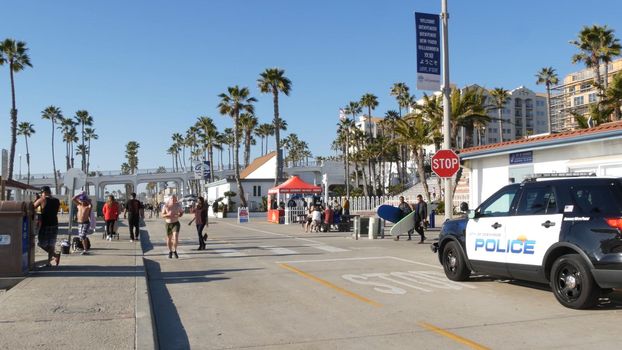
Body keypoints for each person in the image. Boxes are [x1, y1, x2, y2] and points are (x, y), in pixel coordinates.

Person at [33, 186, 61, 266]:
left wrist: (37, 199)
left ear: (43, 193)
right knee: (51, 244)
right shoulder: (56, 200)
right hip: (54, 224)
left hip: (45, 225)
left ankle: (54, 256)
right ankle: (49, 262)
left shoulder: (42, 199)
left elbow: (32, 207)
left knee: (40, 243)